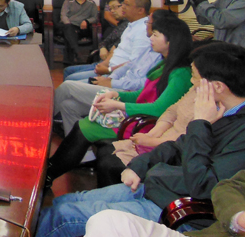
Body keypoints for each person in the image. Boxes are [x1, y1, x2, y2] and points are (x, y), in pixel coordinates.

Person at [36, 42, 245, 237]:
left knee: (63, 215)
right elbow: (177, 146)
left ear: (218, 86)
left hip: (172, 205)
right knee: (67, 201)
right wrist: (139, 165)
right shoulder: (220, 111)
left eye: (196, 78)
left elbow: (204, 186)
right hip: (157, 186)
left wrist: (200, 123)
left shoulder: (235, 130)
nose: (192, 83)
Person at [45, 16, 193, 189]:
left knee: (84, 128)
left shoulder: (180, 73)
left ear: (170, 41)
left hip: (148, 125)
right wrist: (116, 94)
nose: (151, 38)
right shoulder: (165, 64)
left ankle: (49, 173)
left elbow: (159, 109)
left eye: (156, 35)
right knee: (78, 118)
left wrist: (117, 105)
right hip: (140, 117)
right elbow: (142, 94)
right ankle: (50, 171)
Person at [53, 1, 164, 135]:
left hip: (125, 93)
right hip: (115, 82)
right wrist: (110, 78)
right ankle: (78, 145)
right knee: (67, 106)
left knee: (68, 86)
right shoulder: (149, 48)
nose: (146, 25)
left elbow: (141, 85)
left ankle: (43, 122)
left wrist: (111, 82)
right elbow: (129, 65)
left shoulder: (161, 59)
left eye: (149, 23)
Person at [85, 169, 245, 237]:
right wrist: (238, 216)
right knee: (107, 220)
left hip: (170, 195)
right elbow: (228, 186)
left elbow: (200, 180)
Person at [64, 0, 127, 82]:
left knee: (70, 78)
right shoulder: (120, 25)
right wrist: (103, 48)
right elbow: (104, 42)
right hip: (103, 63)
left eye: (115, 7)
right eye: (110, 8)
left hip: (110, 67)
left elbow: (116, 47)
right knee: (68, 71)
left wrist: (106, 65)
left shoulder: (128, 27)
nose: (112, 11)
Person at [59, 0, 99, 64]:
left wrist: (86, 21)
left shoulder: (91, 3)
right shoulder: (68, 1)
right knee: (69, 31)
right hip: (69, 26)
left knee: (69, 36)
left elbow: (95, 18)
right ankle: (78, 54)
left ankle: (70, 62)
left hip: (83, 28)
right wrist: (69, 24)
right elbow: (63, 15)